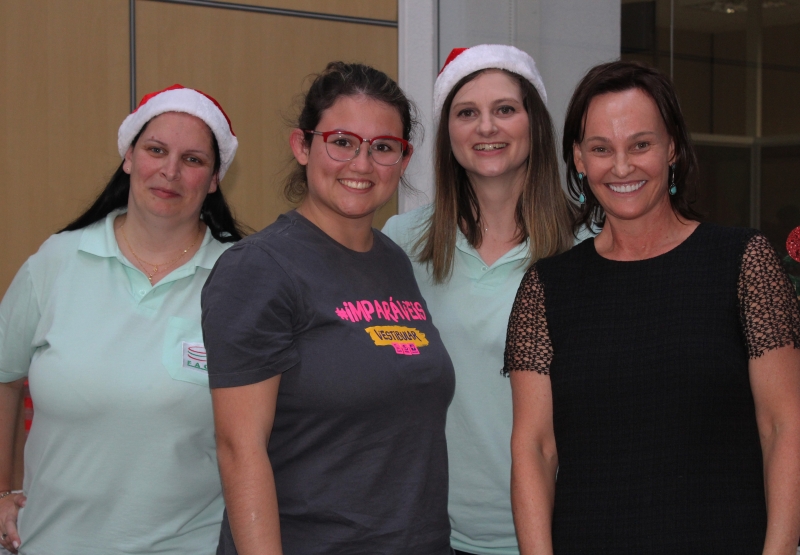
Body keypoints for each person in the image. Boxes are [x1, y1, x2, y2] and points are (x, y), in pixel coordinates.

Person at [505, 60, 800, 554]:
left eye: (641, 145)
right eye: (601, 149)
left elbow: (783, 427)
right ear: (578, 158)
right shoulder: (546, 288)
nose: (622, 167)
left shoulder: (744, 262)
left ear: (673, 148)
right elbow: (535, 449)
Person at [201, 61, 455, 555]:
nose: (362, 164)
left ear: (403, 160)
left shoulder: (393, 261)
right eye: (342, 141)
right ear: (302, 146)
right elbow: (239, 451)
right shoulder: (258, 269)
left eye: (383, 147)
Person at [0, 84, 246, 554]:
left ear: (215, 178)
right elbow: (4, 375)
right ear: (129, 157)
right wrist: (3, 490)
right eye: (156, 150)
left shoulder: (244, 277)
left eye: (193, 159)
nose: (170, 171)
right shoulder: (57, 260)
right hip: (52, 542)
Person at [383, 45, 574, 555]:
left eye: (505, 109)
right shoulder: (401, 242)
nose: (486, 127)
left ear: (535, 123)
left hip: (555, 529)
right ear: (448, 133)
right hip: (427, 531)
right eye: (467, 113)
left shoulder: (588, 242)